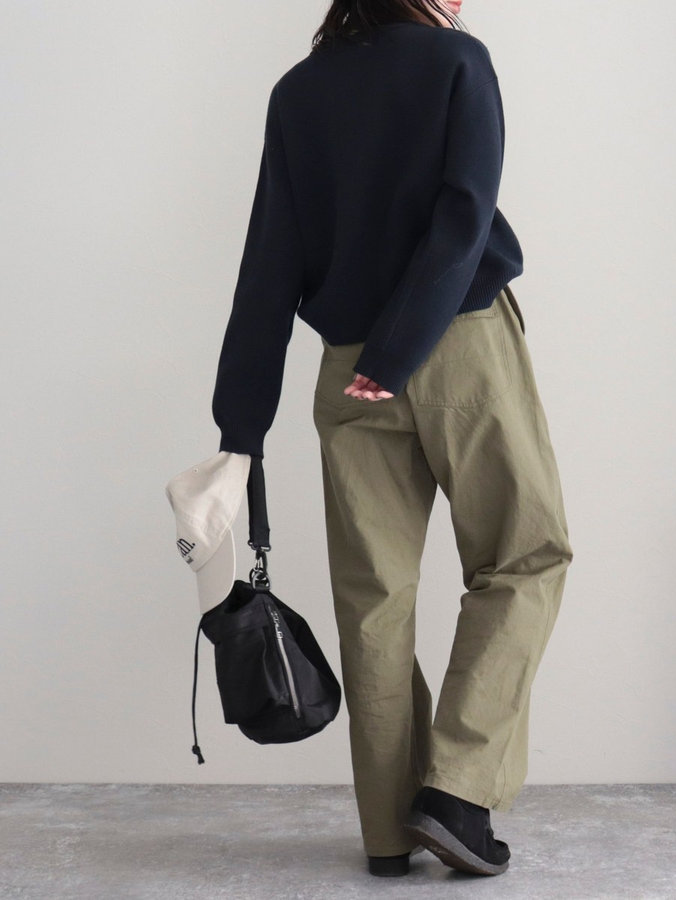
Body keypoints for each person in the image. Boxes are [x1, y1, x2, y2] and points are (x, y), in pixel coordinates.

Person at [210, 0, 574, 879]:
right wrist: (403, 349)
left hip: (346, 369)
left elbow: (269, 258)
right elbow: (464, 215)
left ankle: (387, 833)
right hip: (460, 345)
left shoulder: (299, 91)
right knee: (524, 559)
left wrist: (241, 427)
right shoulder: (458, 62)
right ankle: (455, 793)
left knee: (374, 600)